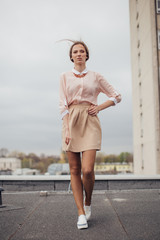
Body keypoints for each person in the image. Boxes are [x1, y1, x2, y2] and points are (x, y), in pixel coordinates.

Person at [59, 40, 121, 230]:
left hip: (90, 120)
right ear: (71, 56)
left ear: (87, 55)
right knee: (75, 170)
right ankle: (80, 214)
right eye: (75, 51)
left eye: (82, 51)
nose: (79, 54)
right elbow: (62, 104)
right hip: (71, 121)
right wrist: (67, 128)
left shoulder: (96, 76)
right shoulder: (64, 76)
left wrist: (100, 107)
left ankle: (88, 201)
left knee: (87, 170)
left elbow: (116, 95)